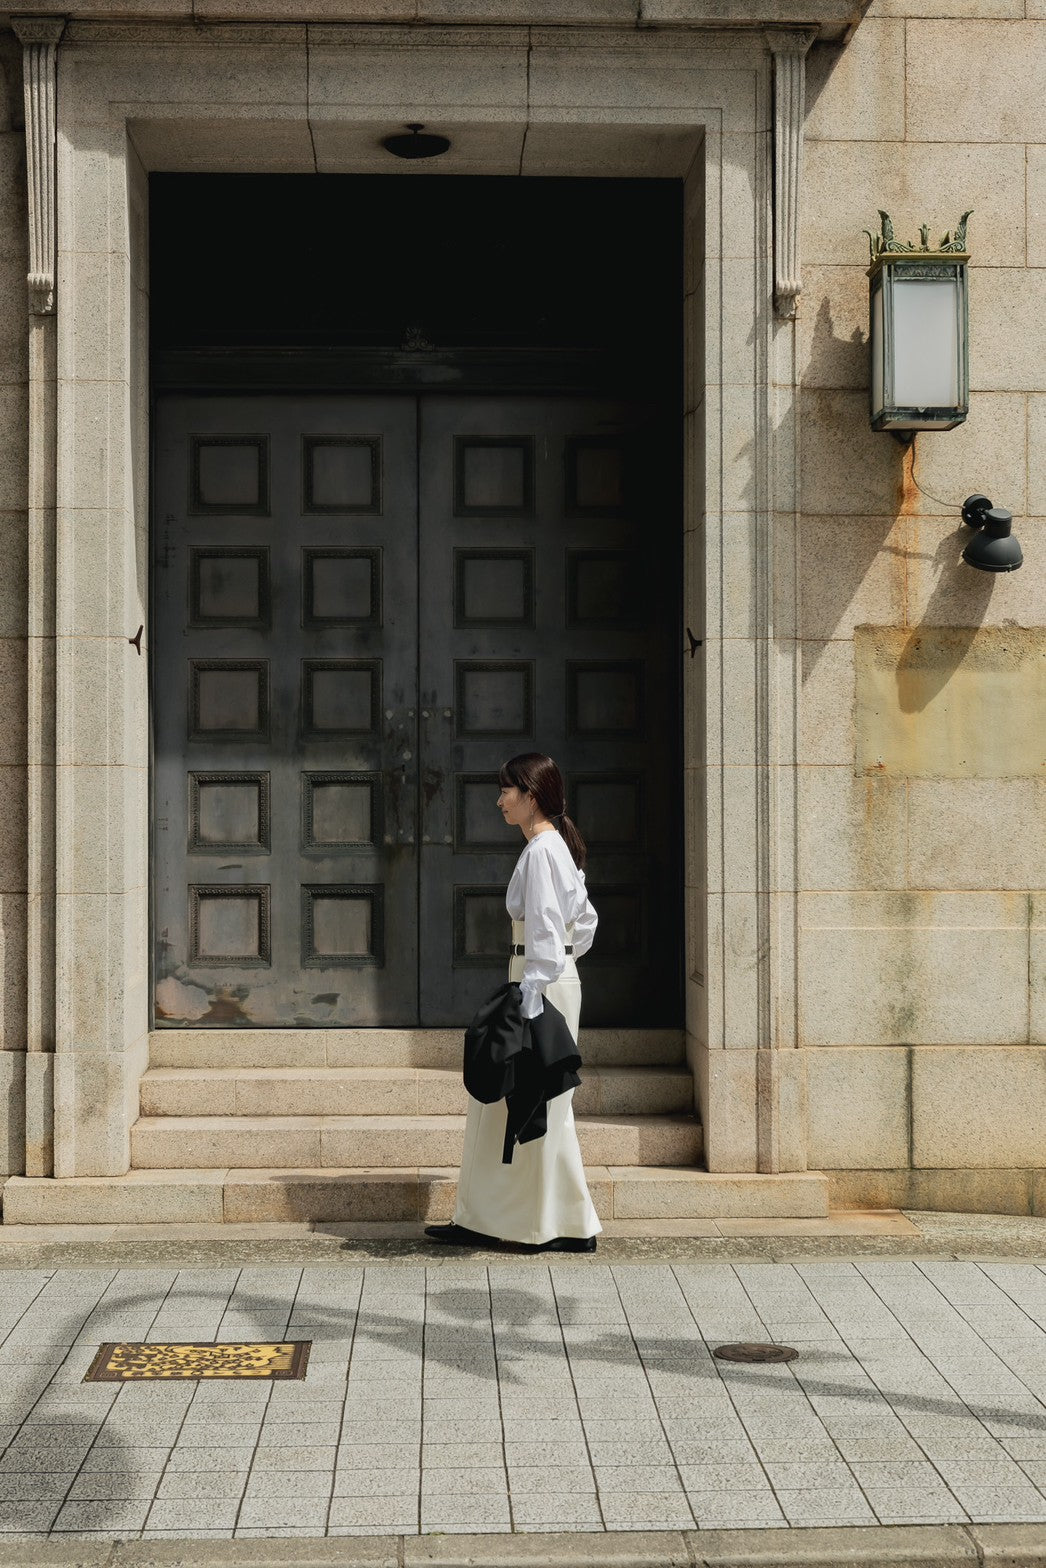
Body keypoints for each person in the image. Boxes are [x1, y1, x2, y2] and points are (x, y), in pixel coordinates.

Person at [425, 752, 602, 1253]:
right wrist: (560, 968)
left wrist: (531, 996)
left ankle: (531, 1224)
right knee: (534, 1102)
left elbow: (550, 928)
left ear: (531, 796)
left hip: (537, 984)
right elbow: (583, 923)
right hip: (549, 980)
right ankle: (548, 1223)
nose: (499, 800)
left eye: (507, 790)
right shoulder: (555, 848)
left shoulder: (545, 851)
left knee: (526, 1100)